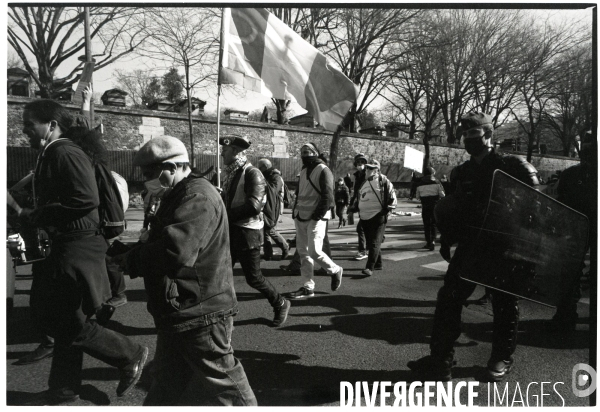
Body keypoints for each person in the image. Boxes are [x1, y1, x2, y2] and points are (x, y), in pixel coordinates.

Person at [19, 99, 147, 405]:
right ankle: (64, 390)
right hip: (72, 244)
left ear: (51, 125)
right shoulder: (54, 152)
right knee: (66, 319)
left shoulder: (63, 151)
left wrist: (39, 215)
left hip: (77, 245)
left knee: (64, 319)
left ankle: (129, 354)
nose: (25, 131)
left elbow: (85, 199)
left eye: (29, 124)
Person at [112, 136, 257, 405]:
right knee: (167, 380)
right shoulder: (179, 193)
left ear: (171, 166)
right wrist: (129, 251)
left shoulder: (197, 196)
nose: (146, 180)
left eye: (150, 174)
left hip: (199, 309)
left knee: (226, 384)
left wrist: (129, 261)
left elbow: (175, 250)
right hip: (182, 307)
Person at [408, 112, 539, 382]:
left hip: (505, 247)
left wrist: (530, 247)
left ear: (489, 134)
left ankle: (500, 358)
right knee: (449, 299)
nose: (468, 139)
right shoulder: (462, 172)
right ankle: (441, 360)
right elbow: (455, 208)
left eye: (473, 134)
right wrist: (447, 237)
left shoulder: (515, 166)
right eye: (464, 135)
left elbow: (537, 209)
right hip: (471, 246)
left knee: (504, 304)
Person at [220, 136, 290, 326]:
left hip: (247, 234)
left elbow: (254, 206)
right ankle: (223, 311)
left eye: (224, 151)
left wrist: (224, 214)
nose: (221, 154)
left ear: (235, 151)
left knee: (254, 278)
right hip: (232, 231)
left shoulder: (253, 173)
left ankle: (280, 303)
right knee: (221, 273)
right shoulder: (231, 173)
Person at [548, 130, 597, 332]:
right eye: (584, 148)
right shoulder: (570, 175)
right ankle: (566, 314)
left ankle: (568, 314)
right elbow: (561, 202)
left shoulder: (572, 174)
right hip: (576, 229)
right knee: (569, 274)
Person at [286, 143, 343, 298]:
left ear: (315, 153)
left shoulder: (324, 170)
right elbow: (300, 194)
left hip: (315, 218)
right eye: (302, 152)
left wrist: (317, 216)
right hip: (300, 216)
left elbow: (328, 197)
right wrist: (295, 211)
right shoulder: (304, 170)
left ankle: (335, 270)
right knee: (304, 254)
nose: (304, 154)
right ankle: (307, 287)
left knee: (314, 251)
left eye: (307, 152)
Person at [357, 160, 397, 276]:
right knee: (371, 242)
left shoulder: (384, 181)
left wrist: (386, 210)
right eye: (367, 168)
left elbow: (393, 198)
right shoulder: (364, 182)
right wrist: (355, 207)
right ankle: (378, 263)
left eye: (371, 168)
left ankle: (369, 267)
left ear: (377, 170)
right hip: (364, 217)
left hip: (378, 216)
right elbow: (360, 197)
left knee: (374, 242)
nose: (368, 170)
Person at [257, 158, 290, 261]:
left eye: (260, 167)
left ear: (266, 166)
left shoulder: (276, 177)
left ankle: (285, 247)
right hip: (267, 206)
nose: (259, 169)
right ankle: (268, 254)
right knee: (266, 230)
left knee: (269, 229)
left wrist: (261, 183)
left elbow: (272, 190)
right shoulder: (267, 176)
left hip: (273, 208)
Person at [415, 166, 445, 251]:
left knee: (426, 224)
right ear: (432, 173)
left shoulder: (420, 183)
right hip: (435, 205)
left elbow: (417, 196)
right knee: (434, 224)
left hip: (425, 206)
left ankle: (428, 242)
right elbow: (442, 195)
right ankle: (433, 241)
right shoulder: (437, 182)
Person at [348, 153, 368, 260]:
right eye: (358, 162)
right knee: (365, 228)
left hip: (369, 204)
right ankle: (369, 249)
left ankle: (363, 250)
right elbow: (355, 191)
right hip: (362, 205)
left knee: (361, 228)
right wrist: (351, 205)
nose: (360, 164)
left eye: (362, 162)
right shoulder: (357, 175)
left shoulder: (368, 174)